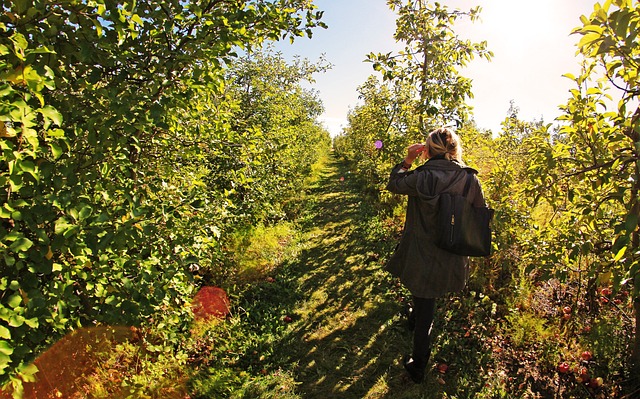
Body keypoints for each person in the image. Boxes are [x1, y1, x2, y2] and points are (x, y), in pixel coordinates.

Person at [385, 127, 487, 383]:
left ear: (427, 151)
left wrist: (407, 161)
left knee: (425, 305)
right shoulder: (469, 179)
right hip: (451, 251)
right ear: (454, 150)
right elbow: (480, 213)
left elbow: (394, 184)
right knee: (425, 301)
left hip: (422, 252)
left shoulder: (422, 176)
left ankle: (418, 365)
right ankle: (414, 316)